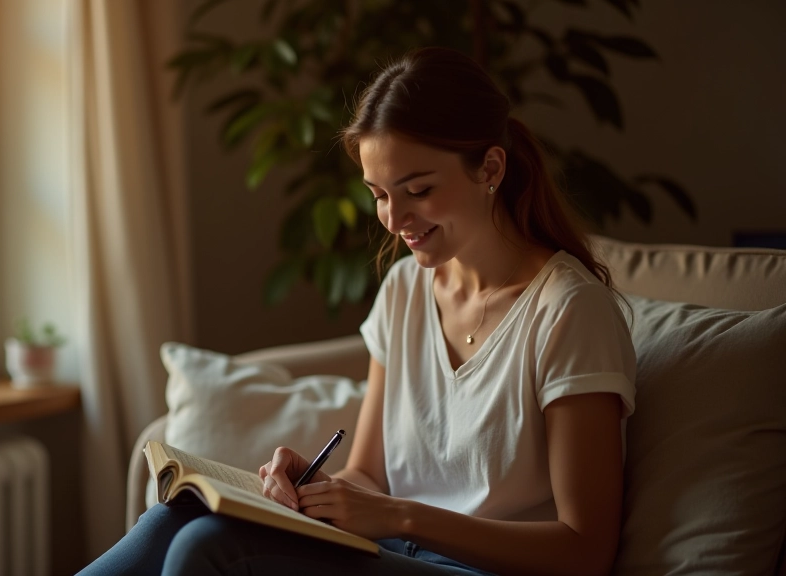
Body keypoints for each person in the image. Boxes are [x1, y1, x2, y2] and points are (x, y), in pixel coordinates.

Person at [79, 46, 635, 576]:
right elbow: (368, 472)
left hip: (478, 569)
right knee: (181, 515)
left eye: (417, 189)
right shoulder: (405, 290)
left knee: (216, 548)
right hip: (398, 550)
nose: (394, 219)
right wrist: (316, 490)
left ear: (490, 168)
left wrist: (399, 516)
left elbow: (585, 552)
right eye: (379, 193)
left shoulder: (568, 311)